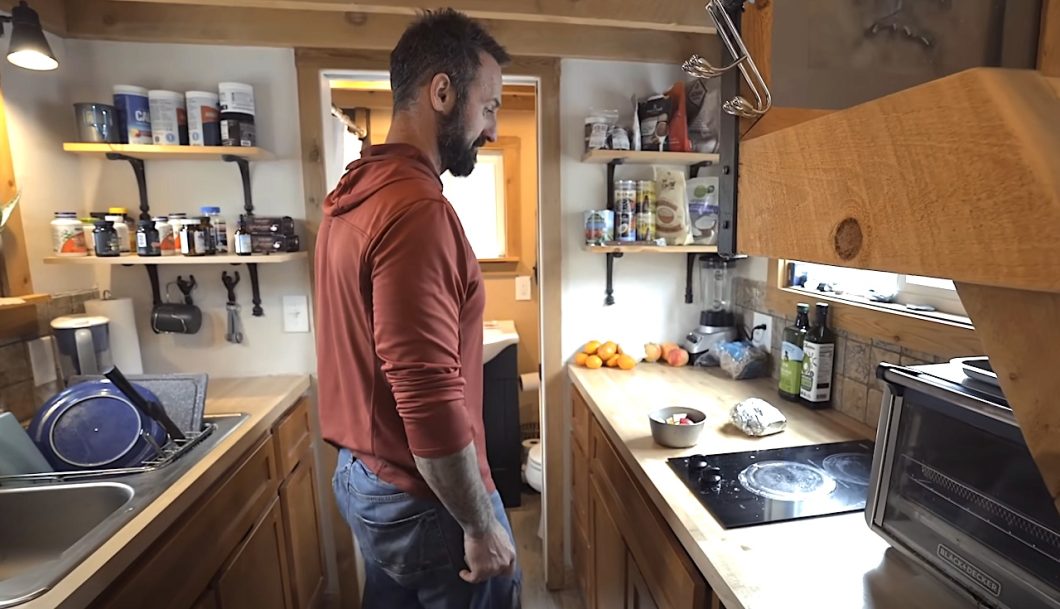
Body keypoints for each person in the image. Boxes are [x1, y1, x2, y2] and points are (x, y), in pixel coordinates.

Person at [314, 9, 520, 609]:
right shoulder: (416, 212)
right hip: (420, 495)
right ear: (441, 92)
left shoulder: (356, 193)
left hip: (365, 473)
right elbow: (427, 399)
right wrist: (481, 528)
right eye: (489, 107)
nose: (491, 128)